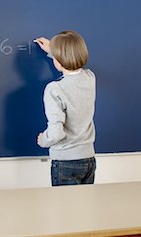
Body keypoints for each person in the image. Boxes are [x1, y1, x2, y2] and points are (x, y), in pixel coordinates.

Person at [35, 31, 96, 186]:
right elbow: (72, 67)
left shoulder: (55, 89)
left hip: (66, 161)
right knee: (84, 207)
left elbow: (56, 133)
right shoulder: (90, 78)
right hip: (88, 159)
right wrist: (55, 52)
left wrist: (43, 140)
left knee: (64, 209)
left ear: (58, 61)